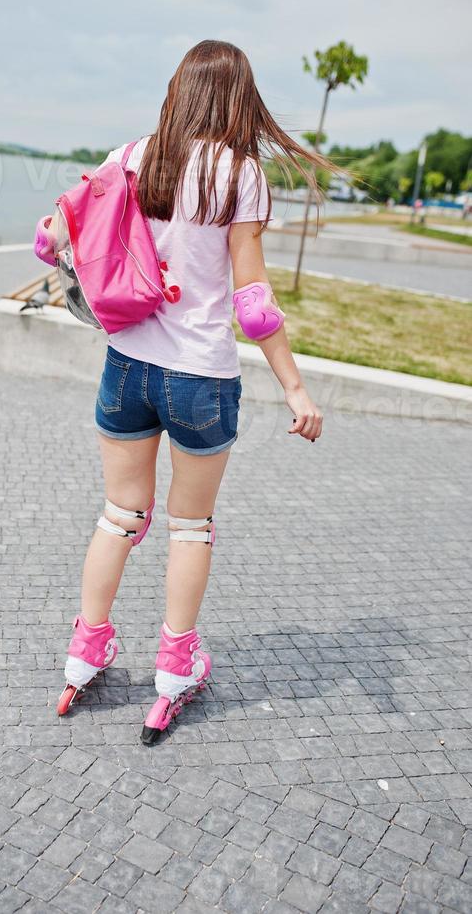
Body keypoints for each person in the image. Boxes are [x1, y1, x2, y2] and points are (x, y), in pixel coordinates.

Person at [58, 40, 333, 743]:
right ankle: (176, 669)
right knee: (188, 528)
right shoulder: (242, 174)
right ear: (241, 99)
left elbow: (62, 227)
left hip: (126, 364)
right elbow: (253, 301)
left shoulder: (134, 154)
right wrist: (295, 388)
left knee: (120, 513)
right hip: (200, 377)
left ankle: (87, 650)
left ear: (180, 89)